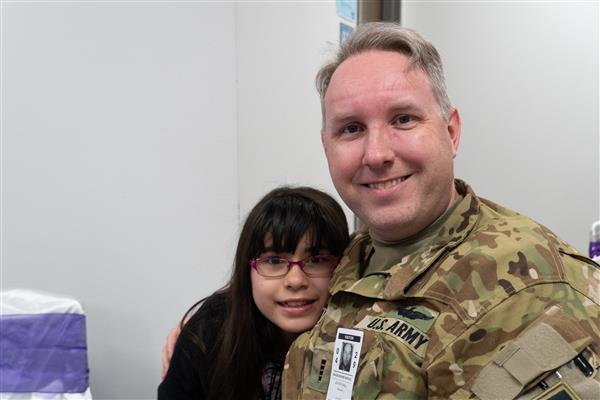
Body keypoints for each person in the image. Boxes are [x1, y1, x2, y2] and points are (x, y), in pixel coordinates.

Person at [163, 23, 600, 399]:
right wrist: (210, 335)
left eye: (403, 119)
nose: (376, 153)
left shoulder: (532, 294)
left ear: (451, 132)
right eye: (351, 129)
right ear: (327, 147)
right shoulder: (359, 258)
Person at [157, 186, 349, 400]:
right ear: (246, 271)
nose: (295, 280)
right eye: (274, 261)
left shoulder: (366, 333)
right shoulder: (211, 332)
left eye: (317, 260)